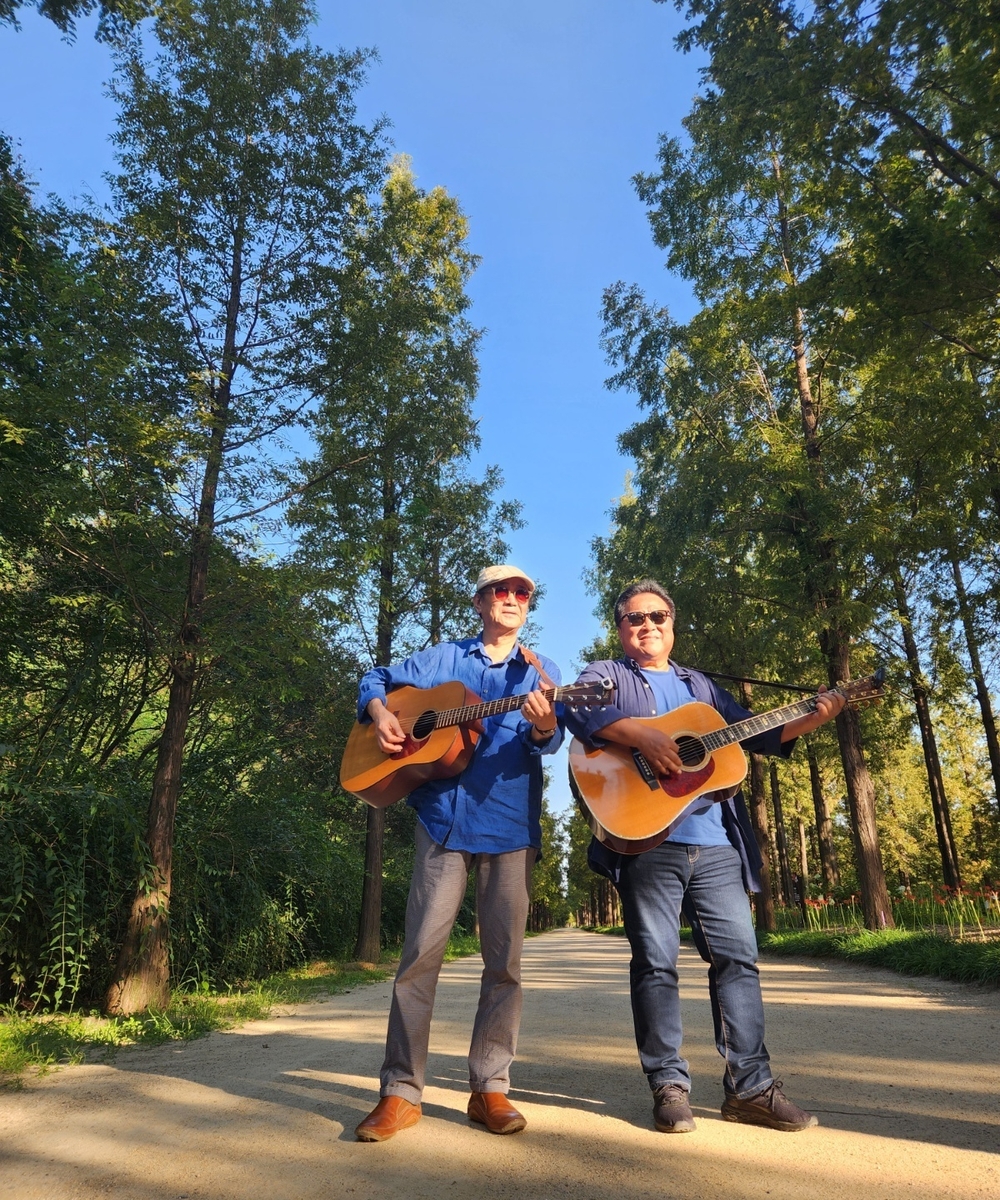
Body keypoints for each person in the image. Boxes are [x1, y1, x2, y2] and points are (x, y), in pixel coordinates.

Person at [565, 579, 845, 1134]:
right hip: (647, 841)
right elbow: (574, 709)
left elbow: (758, 735)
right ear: (620, 627)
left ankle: (752, 1088)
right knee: (656, 964)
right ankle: (669, 1086)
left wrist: (818, 713)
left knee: (738, 959)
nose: (647, 625)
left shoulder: (701, 687)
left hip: (716, 844)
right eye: (634, 617)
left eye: (658, 616)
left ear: (673, 623)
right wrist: (644, 738)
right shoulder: (606, 675)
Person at [353, 565, 562, 1142]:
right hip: (443, 821)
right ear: (480, 600)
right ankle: (400, 1093)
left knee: (505, 966)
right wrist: (381, 713)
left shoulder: (544, 672)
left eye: (524, 592)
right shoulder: (443, 659)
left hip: (510, 825)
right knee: (419, 955)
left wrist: (544, 728)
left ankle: (490, 1088)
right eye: (503, 590)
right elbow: (375, 678)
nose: (514, 598)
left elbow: (551, 739)